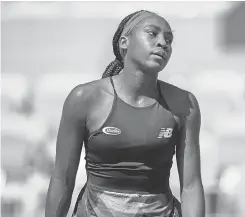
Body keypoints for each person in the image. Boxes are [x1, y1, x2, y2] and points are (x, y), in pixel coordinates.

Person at [45, 10, 205, 217]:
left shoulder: (184, 104)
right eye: (152, 33)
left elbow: (191, 186)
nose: (163, 43)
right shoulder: (84, 98)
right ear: (124, 42)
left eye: (169, 39)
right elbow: (62, 179)